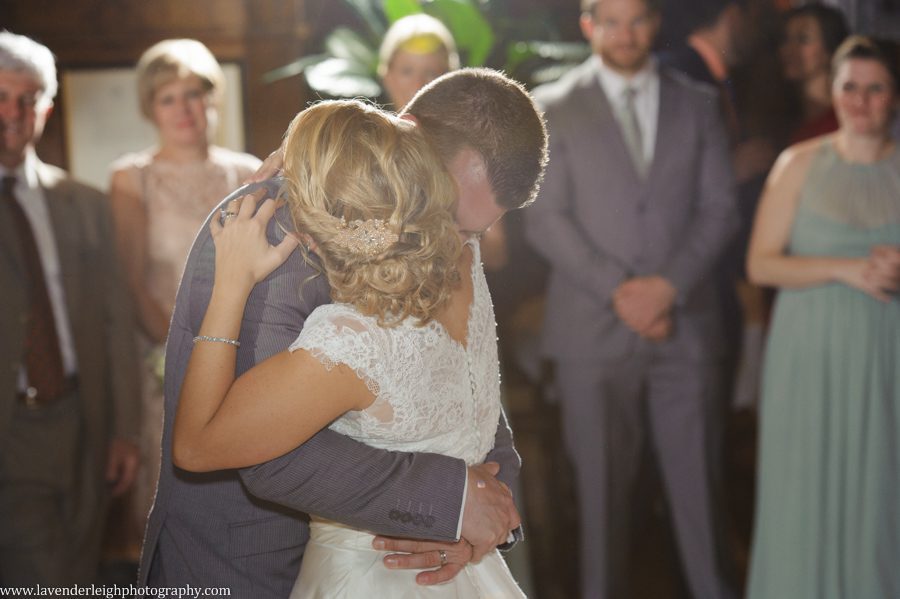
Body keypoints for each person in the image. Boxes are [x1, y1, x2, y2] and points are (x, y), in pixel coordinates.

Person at [139, 68, 548, 596]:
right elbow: (262, 454)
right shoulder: (275, 222)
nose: (455, 242)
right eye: (449, 211)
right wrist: (450, 502)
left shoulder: (450, 237)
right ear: (407, 129)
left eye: (475, 229)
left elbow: (469, 382)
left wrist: (483, 520)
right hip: (250, 561)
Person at [524, 0, 739, 597]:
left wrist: (667, 288)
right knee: (598, 497)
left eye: (637, 19)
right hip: (591, 329)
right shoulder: (554, 106)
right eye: (611, 20)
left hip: (686, 322)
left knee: (700, 493)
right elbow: (544, 218)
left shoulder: (697, 103)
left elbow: (720, 208)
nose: (625, 33)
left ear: (654, 25)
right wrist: (620, 292)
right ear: (588, 26)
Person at [746, 35, 900, 598]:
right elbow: (760, 264)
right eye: (849, 87)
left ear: (895, 95)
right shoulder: (799, 164)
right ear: (833, 91)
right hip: (809, 356)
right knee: (806, 487)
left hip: (888, 356)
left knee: (882, 490)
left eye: (875, 88)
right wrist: (847, 268)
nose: (859, 101)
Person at [0, 31, 140, 584]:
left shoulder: (84, 204)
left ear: (47, 109)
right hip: (12, 432)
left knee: (82, 571)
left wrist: (124, 429)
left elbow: (115, 322)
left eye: (27, 97)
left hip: (85, 422)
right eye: (0, 94)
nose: (12, 111)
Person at [108, 38, 260, 537]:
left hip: (245, 357)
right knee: (174, 514)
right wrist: (186, 357)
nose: (184, 109)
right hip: (162, 361)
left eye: (194, 93)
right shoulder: (132, 178)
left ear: (212, 98)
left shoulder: (246, 170)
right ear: (150, 107)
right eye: (168, 97)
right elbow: (131, 282)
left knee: (241, 508)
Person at [779, 3, 849, 145]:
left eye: (803, 39)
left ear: (829, 50)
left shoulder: (843, 120)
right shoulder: (783, 117)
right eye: (786, 39)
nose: (788, 49)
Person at [378, 14, 459, 111]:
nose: (418, 85)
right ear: (387, 76)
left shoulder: (471, 124)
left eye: (431, 73)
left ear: (449, 78)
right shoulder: (362, 122)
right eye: (407, 72)